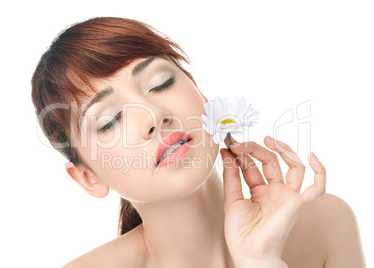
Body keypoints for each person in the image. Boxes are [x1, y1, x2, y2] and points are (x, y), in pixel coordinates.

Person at [31, 17, 366, 267]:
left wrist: (260, 260)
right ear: (88, 178)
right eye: (110, 120)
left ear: (202, 96)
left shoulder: (325, 222)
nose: (153, 114)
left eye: (160, 83)